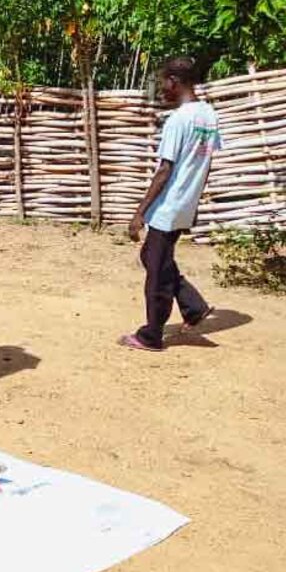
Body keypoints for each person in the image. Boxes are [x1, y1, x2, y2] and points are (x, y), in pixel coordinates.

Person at [119, 57, 220, 352]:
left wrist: (139, 213)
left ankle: (151, 335)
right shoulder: (208, 115)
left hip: (169, 205)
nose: (162, 88)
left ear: (174, 82)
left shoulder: (178, 120)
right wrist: (194, 198)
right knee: (153, 256)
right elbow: (206, 162)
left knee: (157, 271)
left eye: (163, 81)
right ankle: (193, 306)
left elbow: (165, 169)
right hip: (185, 202)